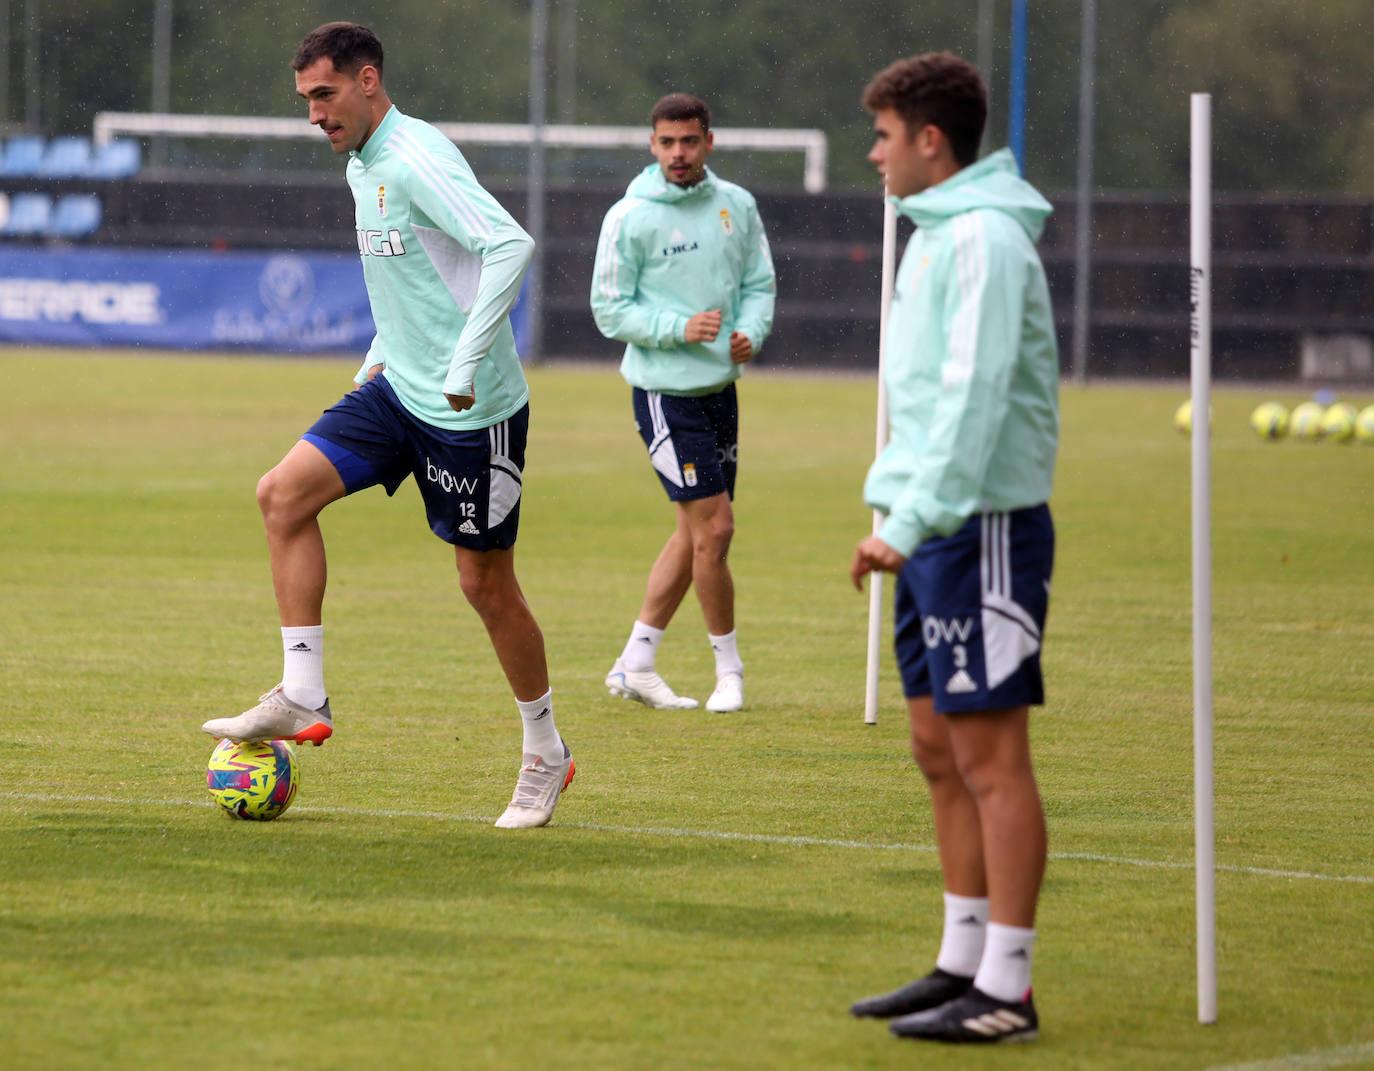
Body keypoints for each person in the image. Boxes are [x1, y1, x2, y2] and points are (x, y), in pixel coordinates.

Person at [201, 22, 573, 830]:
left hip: (475, 411)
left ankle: (546, 749)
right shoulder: (361, 164)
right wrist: (381, 354)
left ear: (368, 81)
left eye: (325, 95)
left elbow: (510, 246)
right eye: (305, 100)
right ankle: (302, 691)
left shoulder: (414, 157)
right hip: (398, 389)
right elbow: (414, 277)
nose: (314, 115)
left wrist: (466, 363)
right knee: (282, 495)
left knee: (484, 585)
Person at [847, 52, 1060, 1044]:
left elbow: (974, 401)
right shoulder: (935, 233)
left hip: (983, 530)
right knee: (937, 750)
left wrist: (914, 518)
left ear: (931, 140)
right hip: (927, 531)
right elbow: (923, 403)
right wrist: (890, 515)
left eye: (884, 136)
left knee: (990, 758)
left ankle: (1008, 989)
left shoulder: (982, 237)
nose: (874, 154)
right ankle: (959, 961)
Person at [590, 93, 776, 714]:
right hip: (664, 395)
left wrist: (752, 330)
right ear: (652, 145)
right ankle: (731, 672)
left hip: (721, 391)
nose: (678, 153)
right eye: (667, 142)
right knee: (717, 528)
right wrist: (678, 327)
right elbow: (609, 308)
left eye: (689, 141)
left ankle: (636, 664)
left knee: (693, 532)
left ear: (708, 143)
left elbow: (757, 282)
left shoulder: (736, 206)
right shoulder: (630, 216)